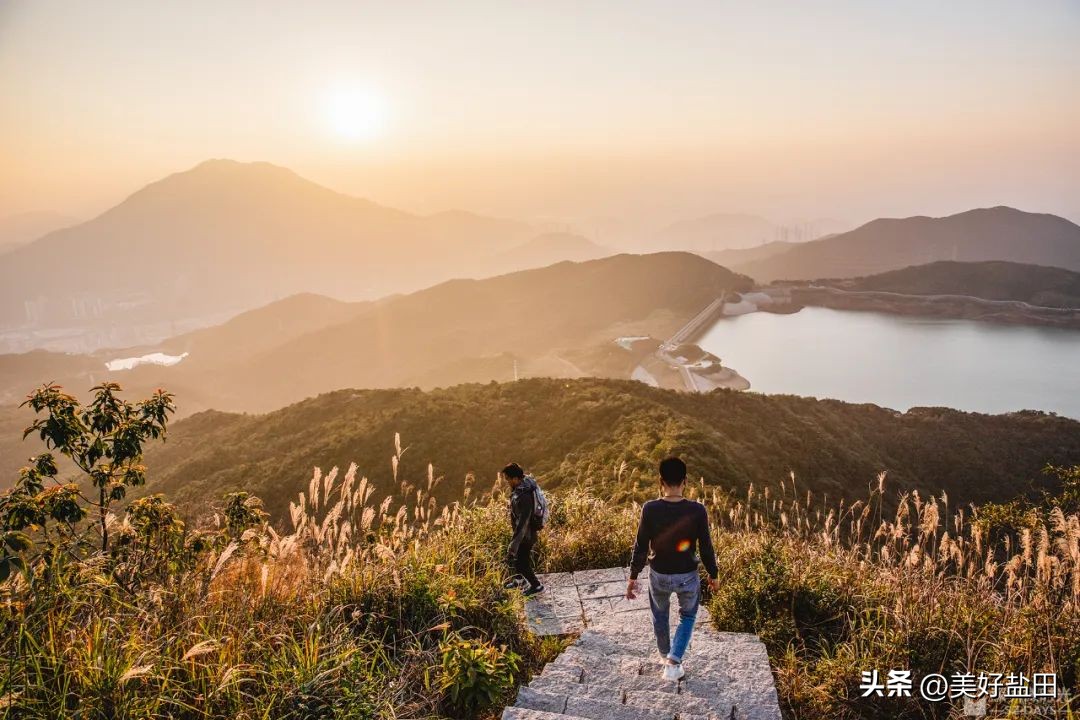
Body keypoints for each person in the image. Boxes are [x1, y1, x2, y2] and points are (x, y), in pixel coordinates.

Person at [626, 456, 719, 681]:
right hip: (687, 575)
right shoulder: (697, 510)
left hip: (659, 574)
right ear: (685, 481)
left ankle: (664, 654)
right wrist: (714, 575)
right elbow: (706, 547)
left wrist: (633, 575)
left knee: (659, 615)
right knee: (688, 615)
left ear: (661, 482)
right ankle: (674, 659)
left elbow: (641, 545)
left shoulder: (650, 508)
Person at [501, 462, 545, 597]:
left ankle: (536, 585)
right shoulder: (520, 488)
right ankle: (519, 581)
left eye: (508, 479)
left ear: (515, 478)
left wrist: (514, 543)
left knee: (522, 562)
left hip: (526, 535)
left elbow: (524, 522)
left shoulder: (524, 495)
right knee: (518, 560)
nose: (506, 481)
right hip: (522, 533)